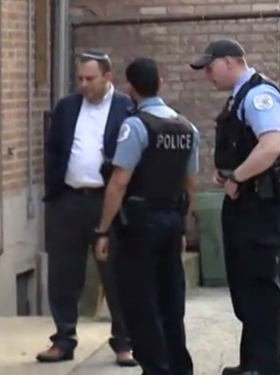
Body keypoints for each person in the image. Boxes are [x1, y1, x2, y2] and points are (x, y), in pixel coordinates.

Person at [190, 39, 280, 375]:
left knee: (259, 287)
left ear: (231, 61)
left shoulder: (260, 96)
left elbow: (272, 144)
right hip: (244, 202)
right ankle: (251, 362)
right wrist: (228, 173)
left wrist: (238, 178)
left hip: (258, 205)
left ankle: (262, 367)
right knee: (245, 285)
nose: (207, 75)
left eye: (210, 67)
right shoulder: (239, 98)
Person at [93, 57, 196, 375]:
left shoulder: (136, 126)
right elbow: (190, 183)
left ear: (131, 88)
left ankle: (155, 368)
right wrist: (181, 226)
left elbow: (119, 183)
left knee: (140, 303)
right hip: (171, 220)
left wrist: (103, 230)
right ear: (160, 83)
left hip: (139, 224)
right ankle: (179, 367)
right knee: (171, 302)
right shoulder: (186, 127)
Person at [39, 50, 137, 367]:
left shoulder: (126, 108)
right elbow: (53, 149)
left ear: (108, 77)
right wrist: (53, 189)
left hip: (107, 201)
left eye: (90, 79)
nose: (84, 85)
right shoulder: (67, 107)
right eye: (80, 78)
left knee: (117, 273)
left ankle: (124, 342)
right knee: (63, 273)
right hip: (67, 199)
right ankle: (63, 338)